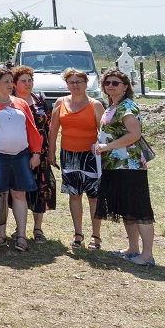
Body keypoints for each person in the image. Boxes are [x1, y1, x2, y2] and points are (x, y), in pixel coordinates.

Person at [0, 67, 43, 252]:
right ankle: (1, 235)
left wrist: (36, 153)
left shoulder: (21, 103)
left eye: (10, 81)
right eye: (5, 81)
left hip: (21, 156)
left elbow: (31, 130)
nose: (10, 85)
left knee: (19, 194)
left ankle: (21, 236)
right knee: (1, 195)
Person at [95, 69, 155, 266]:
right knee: (127, 209)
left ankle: (147, 255)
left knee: (139, 209)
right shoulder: (112, 106)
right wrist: (100, 145)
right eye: (107, 83)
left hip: (130, 166)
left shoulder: (128, 106)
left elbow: (134, 134)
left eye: (115, 83)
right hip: (114, 165)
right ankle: (133, 248)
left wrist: (108, 146)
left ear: (125, 87)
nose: (110, 86)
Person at [47, 67, 105, 250]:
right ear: (67, 84)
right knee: (74, 194)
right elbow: (53, 130)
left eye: (79, 82)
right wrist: (51, 153)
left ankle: (96, 236)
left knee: (94, 197)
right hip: (68, 155)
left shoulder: (95, 105)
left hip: (90, 155)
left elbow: (103, 133)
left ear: (86, 83)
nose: (75, 85)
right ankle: (78, 234)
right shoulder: (60, 102)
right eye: (71, 82)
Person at [13, 65, 57, 242]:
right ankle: (19, 227)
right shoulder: (10, 101)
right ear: (15, 84)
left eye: (30, 80)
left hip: (41, 151)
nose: (28, 84)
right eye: (23, 81)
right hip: (18, 151)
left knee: (41, 187)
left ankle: (38, 228)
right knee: (18, 190)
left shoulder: (39, 99)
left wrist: (48, 152)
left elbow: (48, 125)